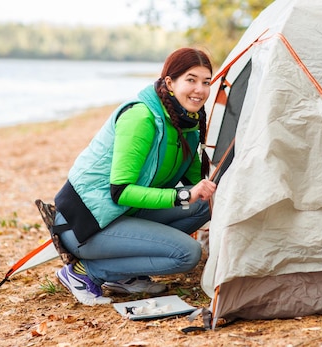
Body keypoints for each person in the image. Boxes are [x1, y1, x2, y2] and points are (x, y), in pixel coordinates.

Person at [52, 47, 217, 305]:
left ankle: (123, 275)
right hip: (87, 224)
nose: (200, 89)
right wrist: (183, 194)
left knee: (204, 205)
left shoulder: (186, 124)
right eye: (191, 80)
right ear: (170, 83)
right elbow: (121, 191)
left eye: (206, 82)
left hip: (125, 213)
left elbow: (197, 184)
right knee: (187, 254)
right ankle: (85, 273)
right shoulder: (142, 117)